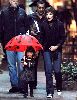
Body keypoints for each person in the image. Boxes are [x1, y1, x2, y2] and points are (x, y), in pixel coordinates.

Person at [0, 0, 29, 93]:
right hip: (8, 43)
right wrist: (1, 42)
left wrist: (24, 36)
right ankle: (15, 86)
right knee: (11, 66)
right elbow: (0, 28)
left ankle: (21, 86)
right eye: (13, 0)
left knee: (21, 65)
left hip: (20, 43)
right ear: (9, 1)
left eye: (16, 0)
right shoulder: (4, 13)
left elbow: (27, 26)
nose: (15, 1)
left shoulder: (22, 12)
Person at [40, 6, 66, 98]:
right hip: (46, 50)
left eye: (50, 14)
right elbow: (41, 38)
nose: (48, 16)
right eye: (47, 14)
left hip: (57, 49)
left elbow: (63, 38)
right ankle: (49, 92)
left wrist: (56, 46)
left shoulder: (59, 24)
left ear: (54, 14)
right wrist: (43, 47)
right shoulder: (43, 24)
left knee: (57, 71)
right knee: (48, 71)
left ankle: (59, 87)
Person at [28, 0, 50, 89]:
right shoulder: (31, 17)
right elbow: (26, 28)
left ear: (44, 8)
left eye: (42, 8)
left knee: (47, 64)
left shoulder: (47, 17)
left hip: (45, 43)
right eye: (39, 7)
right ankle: (33, 84)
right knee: (33, 64)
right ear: (36, 7)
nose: (41, 9)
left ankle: (49, 84)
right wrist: (31, 31)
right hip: (34, 43)